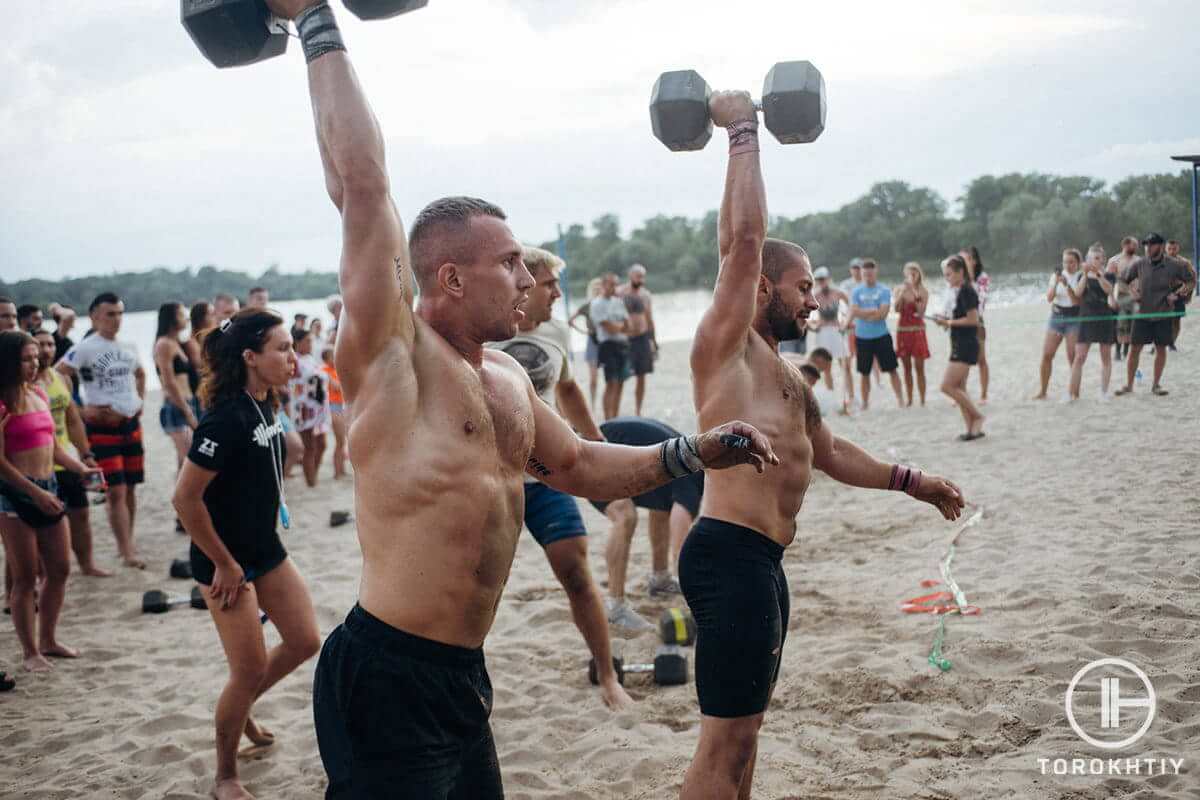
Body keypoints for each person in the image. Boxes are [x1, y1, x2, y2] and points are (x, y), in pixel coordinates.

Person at [251, 10, 776, 797]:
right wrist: (316, 23)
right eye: (507, 264)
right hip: (386, 674)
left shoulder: (503, 376)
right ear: (451, 279)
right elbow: (362, 186)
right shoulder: (394, 358)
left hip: (463, 676)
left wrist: (693, 451)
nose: (528, 280)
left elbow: (578, 465)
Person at [680, 89, 965, 800]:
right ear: (759, 288)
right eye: (803, 287)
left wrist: (913, 480)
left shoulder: (782, 374)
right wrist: (742, 131)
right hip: (729, 557)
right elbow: (741, 244)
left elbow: (830, 451)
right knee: (724, 744)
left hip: (764, 562)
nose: (815, 300)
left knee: (745, 741)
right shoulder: (728, 349)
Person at [172, 309, 321, 800]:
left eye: (292, 348)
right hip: (223, 563)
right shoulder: (224, 418)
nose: (293, 357)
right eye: (283, 349)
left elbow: (279, 454)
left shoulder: (265, 400)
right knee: (248, 669)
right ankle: (225, 776)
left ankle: (242, 706)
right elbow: (184, 499)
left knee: (304, 641)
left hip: (265, 548)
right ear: (251, 358)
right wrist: (225, 563)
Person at [489, 246, 632, 709]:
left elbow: (568, 389)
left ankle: (608, 676)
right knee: (480, 585)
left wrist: (598, 448)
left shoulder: (554, 332)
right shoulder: (483, 335)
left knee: (575, 572)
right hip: (491, 483)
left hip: (548, 478)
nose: (555, 294)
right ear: (522, 284)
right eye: (549, 284)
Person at [1, 330, 99, 671]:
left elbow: (54, 445)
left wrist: (80, 467)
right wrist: (35, 492)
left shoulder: (40, 392)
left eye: (35, 358)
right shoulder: (2, 403)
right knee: (26, 576)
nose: (34, 364)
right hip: (15, 495)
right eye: (25, 359)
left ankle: (49, 639)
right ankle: (30, 652)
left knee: (60, 569)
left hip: (50, 484)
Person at [56, 293, 147, 568]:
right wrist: (80, 410)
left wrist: (139, 401)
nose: (116, 319)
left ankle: (126, 545)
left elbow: (141, 373)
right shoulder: (85, 347)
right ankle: (127, 552)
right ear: (95, 316)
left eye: (120, 313)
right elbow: (58, 374)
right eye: (110, 314)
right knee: (115, 490)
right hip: (101, 427)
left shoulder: (128, 345)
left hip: (131, 424)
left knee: (130, 488)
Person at [587, 416, 701, 632]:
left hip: (612, 443)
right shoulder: (693, 487)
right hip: (596, 454)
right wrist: (697, 595)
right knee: (625, 515)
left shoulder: (693, 463)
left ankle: (660, 579)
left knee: (662, 506)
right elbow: (681, 549)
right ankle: (615, 608)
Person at [33, 329, 109, 577]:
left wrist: (86, 453)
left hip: (67, 459)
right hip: (41, 464)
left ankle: (87, 564)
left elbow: (73, 420)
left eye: (50, 344)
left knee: (81, 514)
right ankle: (41, 574)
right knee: (44, 524)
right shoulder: (26, 383)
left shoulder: (61, 378)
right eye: (41, 345)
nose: (46, 349)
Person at [1115, 233, 1195, 396]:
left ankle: (1156, 385)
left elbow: (1191, 280)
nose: (1147, 248)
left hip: (1163, 314)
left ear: (1160, 246)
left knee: (1161, 350)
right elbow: (1122, 280)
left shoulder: (1174, 264)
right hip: (1141, 315)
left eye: (1151, 244)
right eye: (1145, 245)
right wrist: (1132, 294)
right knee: (1134, 350)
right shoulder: (1140, 264)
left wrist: (1178, 294)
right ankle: (1129, 385)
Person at [933, 256, 986, 439]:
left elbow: (973, 320)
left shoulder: (967, 291)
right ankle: (971, 428)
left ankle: (977, 416)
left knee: (946, 386)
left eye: (949, 274)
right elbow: (958, 317)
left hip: (966, 344)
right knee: (960, 386)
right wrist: (943, 320)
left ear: (960, 272)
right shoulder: (958, 291)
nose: (946, 278)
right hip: (958, 341)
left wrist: (948, 321)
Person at [846, 259, 904, 409]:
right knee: (864, 373)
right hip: (862, 337)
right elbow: (854, 311)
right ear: (861, 273)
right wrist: (872, 311)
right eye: (865, 274)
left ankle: (900, 400)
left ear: (875, 272)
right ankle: (865, 403)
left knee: (892, 369)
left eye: (870, 274)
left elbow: (883, 314)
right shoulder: (857, 291)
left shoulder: (883, 290)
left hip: (881, 335)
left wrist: (864, 313)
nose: (867, 276)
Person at [154, 303, 201, 470]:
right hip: (176, 407)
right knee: (191, 460)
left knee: (185, 462)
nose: (187, 318)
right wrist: (187, 412)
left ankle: (183, 496)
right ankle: (185, 496)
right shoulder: (164, 344)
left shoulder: (177, 343)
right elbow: (169, 381)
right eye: (182, 315)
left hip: (188, 403)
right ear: (171, 318)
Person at [1034, 249, 1084, 400]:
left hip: (1074, 317)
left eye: (1071, 262)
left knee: (1072, 357)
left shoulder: (1081, 276)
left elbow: (1077, 301)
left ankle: (1075, 392)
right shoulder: (1056, 276)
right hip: (1056, 316)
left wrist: (1067, 285)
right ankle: (1043, 391)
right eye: (1065, 262)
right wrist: (1056, 282)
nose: (1067, 265)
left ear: (1078, 263)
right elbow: (1049, 298)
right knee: (1047, 354)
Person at [1068, 244, 1116, 400]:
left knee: (1106, 356)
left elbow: (1109, 290)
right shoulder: (1082, 275)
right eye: (1090, 258)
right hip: (1087, 318)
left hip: (1104, 318)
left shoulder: (1108, 275)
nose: (1093, 261)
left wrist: (1098, 275)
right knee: (1079, 357)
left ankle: (1103, 393)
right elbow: (1077, 293)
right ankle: (1072, 394)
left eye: (1096, 258)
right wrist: (1085, 273)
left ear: (1103, 260)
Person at [285, 328, 329, 488]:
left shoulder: (310, 358)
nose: (311, 344)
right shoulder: (294, 360)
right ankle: (311, 483)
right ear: (298, 343)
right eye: (308, 341)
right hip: (303, 409)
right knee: (309, 446)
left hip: (319, 408)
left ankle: (313, 477)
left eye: (311, 341)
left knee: (322, 444)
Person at [591, 272, 631, 419]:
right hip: (607, 346)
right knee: (611, 383)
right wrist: (619, 326)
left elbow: (628, 325)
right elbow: (609, 328)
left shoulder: (618, 302)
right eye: (611, 284)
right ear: (603, 285)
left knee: (620, 382)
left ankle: (616, 416)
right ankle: (608, 418)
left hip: (622, 345)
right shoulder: (597, 303)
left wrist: (617, 326)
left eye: (616, 284)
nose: (614, 287)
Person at [619, 264, 657, 416]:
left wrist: (653, 340)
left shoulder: (645, 295)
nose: (640, 279)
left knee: (641, 376)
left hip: (642, 338)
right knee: (620, 376)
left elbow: (649, 318)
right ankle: (616, 410)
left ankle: (638, 410)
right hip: (625, 339)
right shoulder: (620, 293)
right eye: (638, 276)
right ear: (630, 275)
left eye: (642, 276)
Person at [809, 266, 851, 401]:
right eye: (819, 280)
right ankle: (831, 396)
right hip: (823, 332)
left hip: (836, 330)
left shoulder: (838, 293)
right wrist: (812, 324)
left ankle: (850, 396)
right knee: (826, 366)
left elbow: (851, 307)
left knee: (845, 364)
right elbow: (803, 310)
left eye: (824, 279)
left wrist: (846, 322)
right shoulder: (815, 295)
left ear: (829, 279)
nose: (822, 282)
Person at [893, 261, 930, 406]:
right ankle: (909, 399)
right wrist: (903, 293)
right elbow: (896, 309)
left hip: (917, 331)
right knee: (906, 368)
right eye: (909, 272)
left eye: (915, 272)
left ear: (919, 273)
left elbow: (921, 312)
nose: (912, 275)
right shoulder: (899, 289)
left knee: (920, 367)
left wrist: (914, 293)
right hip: (903, 331)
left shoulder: (923, 291)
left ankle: (922, 399)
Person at [567, 277, 603, 411]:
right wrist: (584, 332)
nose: (598, 290)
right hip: (593, 342)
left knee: (612, 379)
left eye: (600, 287)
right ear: (591, 290)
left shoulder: (607, 304)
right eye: (595, 288)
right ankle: (593, 406)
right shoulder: (587, 306)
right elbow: (570, 321)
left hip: (607, 342)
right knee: (593, 379)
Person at [960, 246, 990, 403]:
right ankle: (961, 392)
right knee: (961, 360)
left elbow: (980, 301)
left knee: (981, 359)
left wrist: (970, 277)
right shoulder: (957, 277)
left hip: (977, 321)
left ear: (975, 260)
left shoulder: (982, 277)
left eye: (967, 259)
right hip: (960, 322)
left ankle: (984, 394)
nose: (964, 262)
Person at [1107, 237, 1139, 361]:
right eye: (1133, 245)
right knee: (1121, 324)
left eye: (1136, 245)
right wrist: (1111, 298)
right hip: (1121, 296)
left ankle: (1126, 350)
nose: (1136, 247)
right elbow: (1109, 280)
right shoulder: (1114, 261)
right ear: (1125, 245)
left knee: (1133, 325)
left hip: (1136, 297)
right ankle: (1117, 351)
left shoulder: (1139, 260)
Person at [319, 346, 348, 479]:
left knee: (342, 441)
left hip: (340, 406)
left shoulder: (334, 370)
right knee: (340, 440)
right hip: (332, 406)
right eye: (332, 356)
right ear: (326, 358)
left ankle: (341, 470)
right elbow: (337, 386)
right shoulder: (324, 370)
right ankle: (337, 472)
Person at [1164, 239, 1195, 347]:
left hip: (1178, 293)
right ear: (1165, 249)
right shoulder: (1159, 261)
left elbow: (1192, 281)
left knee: (1176, 321)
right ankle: (1158, 344)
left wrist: (1186, 294)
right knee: (1160, 320)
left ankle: (1172, 343)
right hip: (1162, 294)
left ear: (1178, 248)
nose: (1172, 251)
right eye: (1169, 249)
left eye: (1174, 249)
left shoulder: (1185, 263)